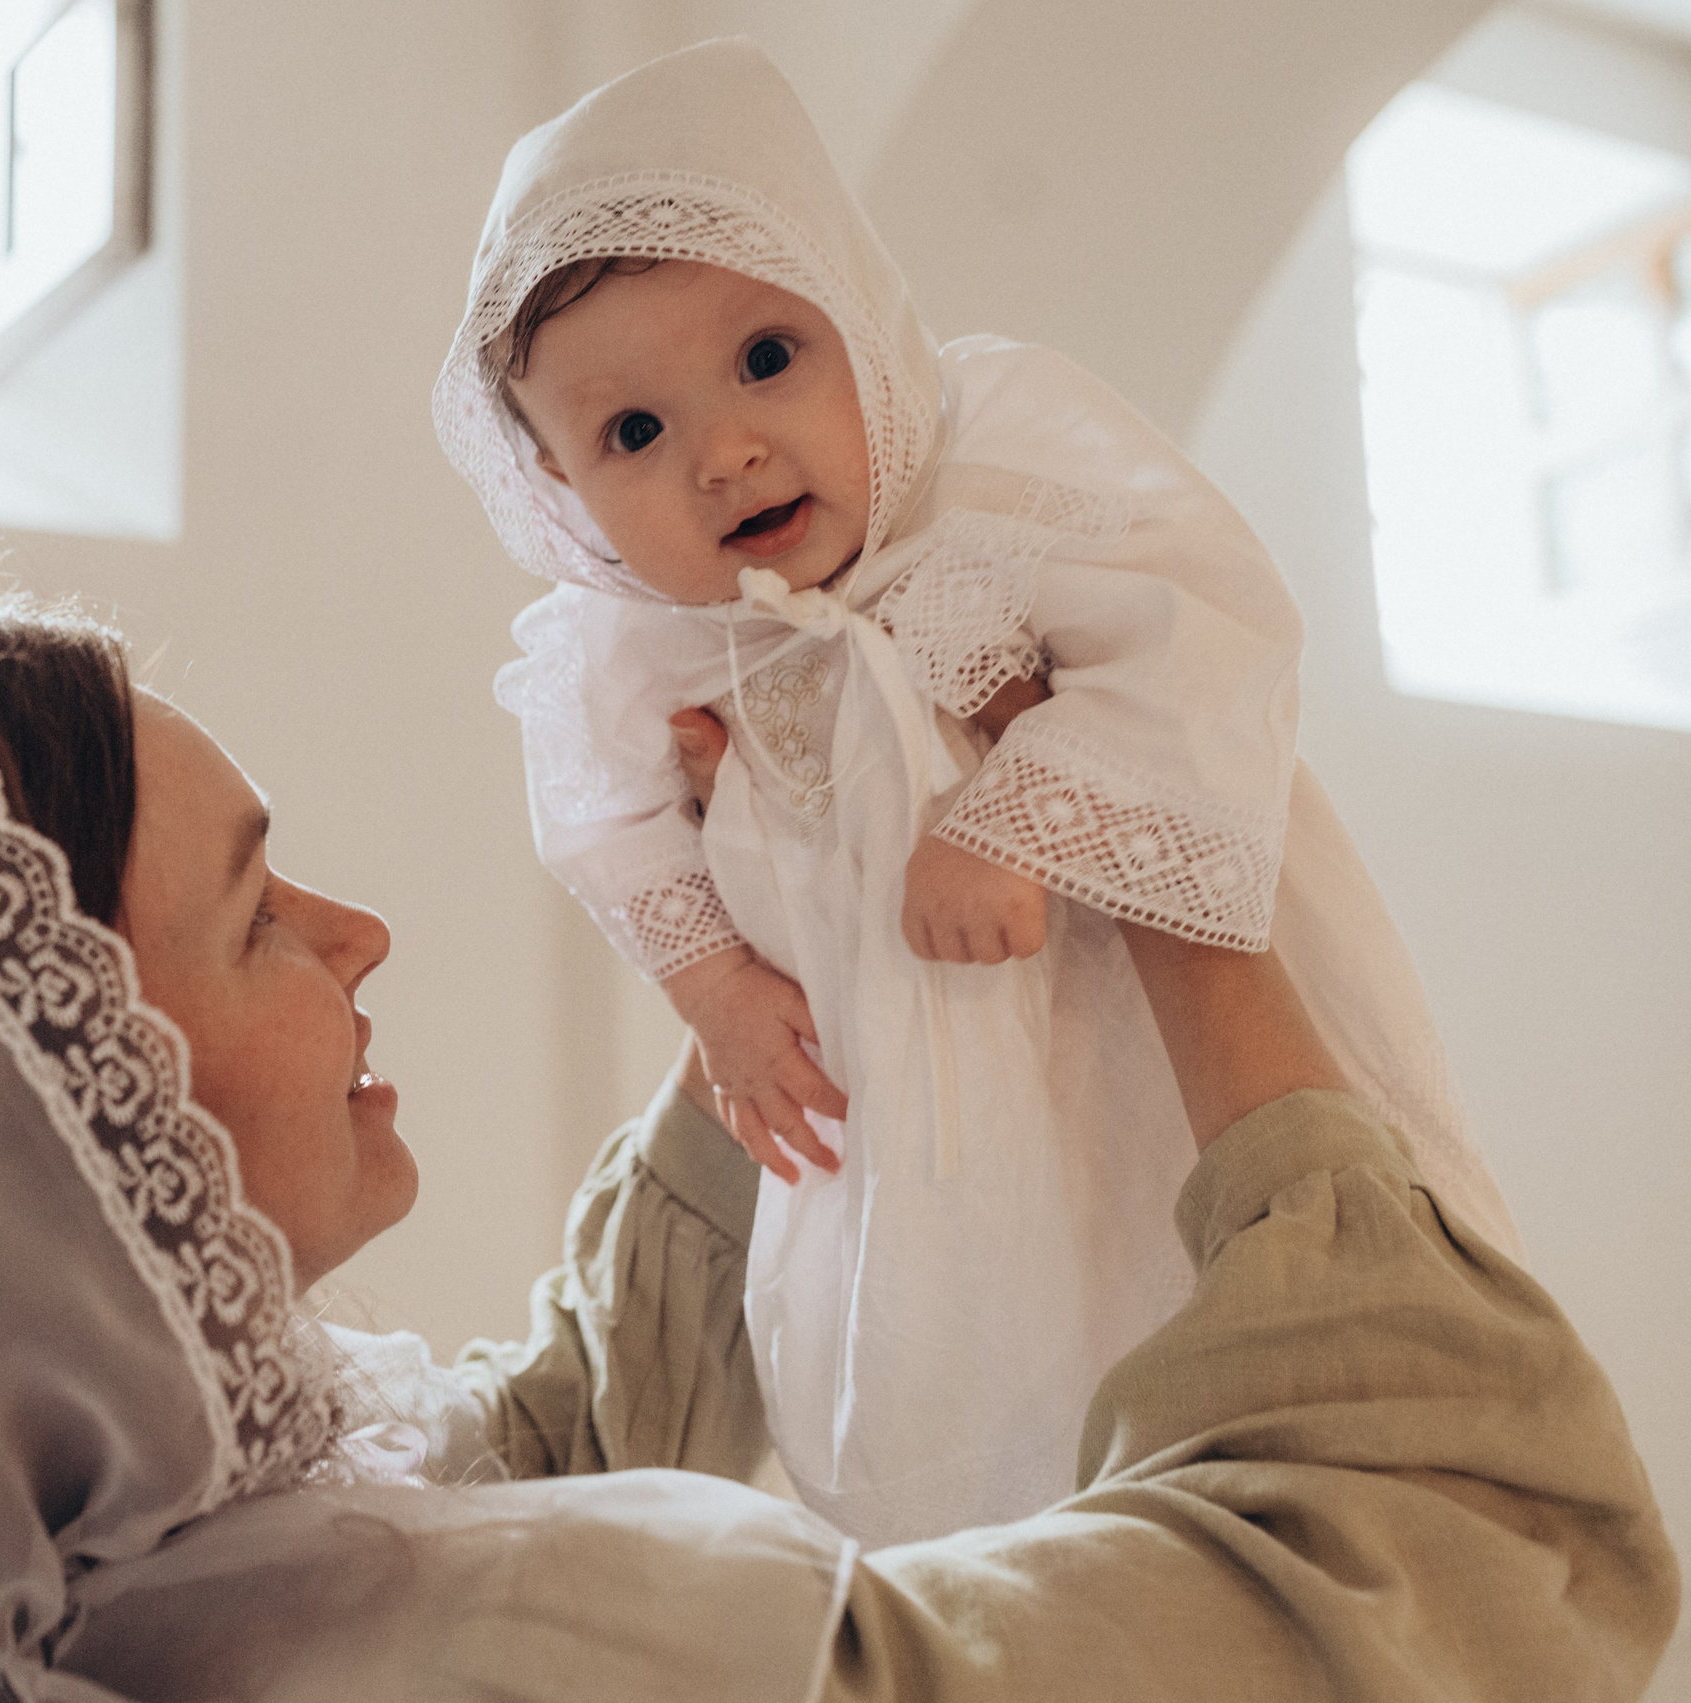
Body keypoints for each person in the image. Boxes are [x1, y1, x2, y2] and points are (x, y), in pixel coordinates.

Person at [0, 562, 1673, 1701]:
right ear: (34, 1129)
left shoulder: (122, 1601)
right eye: (260, 909)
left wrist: (776, 954)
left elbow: (528, 1447)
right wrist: (1173, 865)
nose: (360, 935)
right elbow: (1423, 1579)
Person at [431, 37, 1524, 1545]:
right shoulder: (642, 647)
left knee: (1166, 1299)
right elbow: (601, 820)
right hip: (907, 1135)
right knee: (969, 1397)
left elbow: (1209, 630)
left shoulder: (997, 474)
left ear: (866, 317)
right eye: (633, 433)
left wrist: (1018, 820)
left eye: (766, 358)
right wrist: (716, 987)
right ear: (560, 491)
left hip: (1124, 1040)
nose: (726, 451)